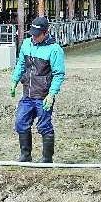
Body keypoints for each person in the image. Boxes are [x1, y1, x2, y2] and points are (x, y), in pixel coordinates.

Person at [10, 16, 66, 163]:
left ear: (45, 33)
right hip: (27, 94)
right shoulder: (26, 44)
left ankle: (47, 159)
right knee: (20, 123)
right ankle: (25, 155)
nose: (34, 38)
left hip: (43, 96)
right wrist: (15, 80)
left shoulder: (54, 50)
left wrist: (52, 94)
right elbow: (21, 64)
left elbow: (58, 74)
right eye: (32, 34)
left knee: (44, 126)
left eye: (37, 35)